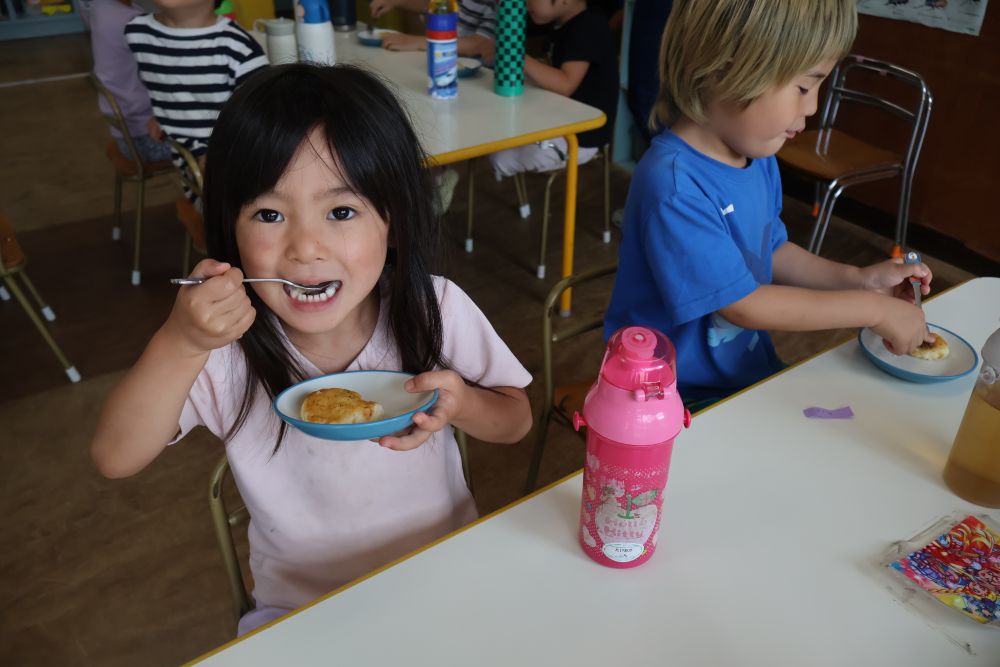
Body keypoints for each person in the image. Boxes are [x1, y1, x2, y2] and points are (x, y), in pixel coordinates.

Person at [89, 64, 533, 635]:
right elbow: (115, 456)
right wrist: (181, 341)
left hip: (443, 578)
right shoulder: (225, 350)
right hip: (304, 615)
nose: (304, 248)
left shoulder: (434, 308)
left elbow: (515, 419)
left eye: (341, 212)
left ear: (392, 224)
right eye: (269, 214)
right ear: (229, 228)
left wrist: (463, 405)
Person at [604, 0, 934, 408]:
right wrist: (872, 310)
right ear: (723, 68)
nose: (812, 107)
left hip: (742, 376)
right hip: (670, 398)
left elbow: (772, 249)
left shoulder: (757, 159)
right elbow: (744, 305)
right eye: (803, 86)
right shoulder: (674, 185)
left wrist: (857, 278)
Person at [124, 0, 268, 195]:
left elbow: (263, 120)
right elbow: (169, 85)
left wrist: (222, 153)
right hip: (187, 163)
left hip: (234, 159)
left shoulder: (239, 48)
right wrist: (161, 114)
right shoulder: (137, 33)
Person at [488, 0, 618, 179]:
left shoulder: (589, 26)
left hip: (582, 137)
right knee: (497, 131)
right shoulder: (560, 22)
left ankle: (525, 204)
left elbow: (565, 84)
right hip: (559, 117)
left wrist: (515, 53)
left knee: (501, 156)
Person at [78, 0, 172, 163]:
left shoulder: (101, 7)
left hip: (128, 132)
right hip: (148, 139)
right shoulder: (130, 22)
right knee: (224, 142)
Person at [369, 0, 496, 63]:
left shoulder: (504, 6)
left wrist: (415, 42)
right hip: (445, 61)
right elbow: (438, 4)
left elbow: (479, 44)